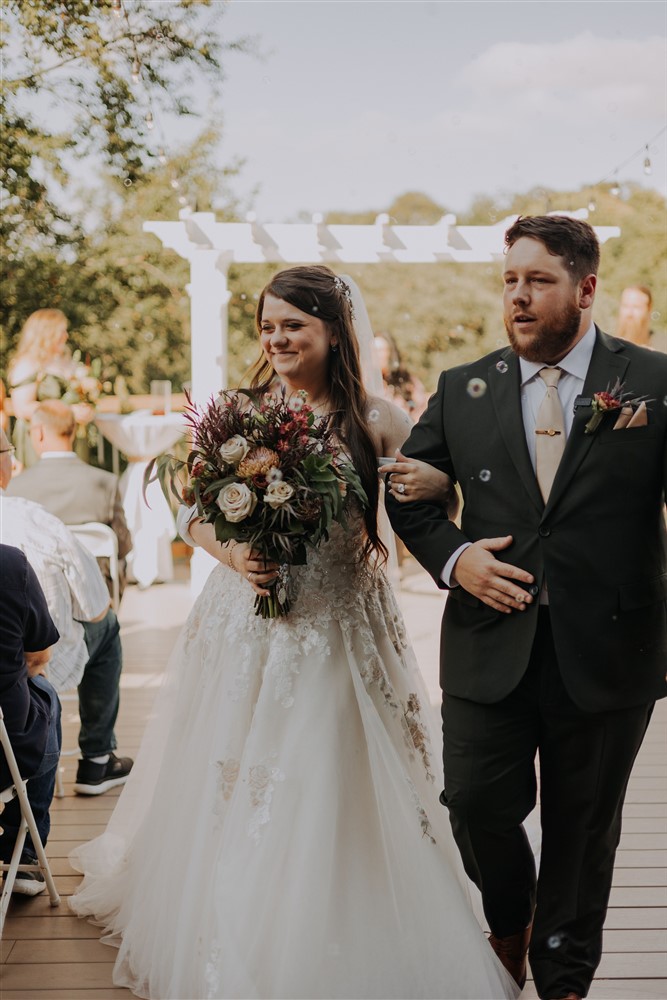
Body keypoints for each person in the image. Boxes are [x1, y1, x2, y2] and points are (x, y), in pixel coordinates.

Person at [68, 266, 518, 1000]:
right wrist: (232, 551)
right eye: (267, 325)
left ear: (334, 331)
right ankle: (229, 906)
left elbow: (427, 494)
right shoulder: (236, 410)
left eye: (293, 325)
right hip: (247, 615)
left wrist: (441, 486)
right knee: (236, 765)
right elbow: (192, 510)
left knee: (335, 764)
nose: (276, 339)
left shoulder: (377, 419)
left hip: (342, 618)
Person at [387, 216, 667, 1000]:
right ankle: (507, 921)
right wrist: (455, 556)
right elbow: (405, 491)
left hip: (610, 650)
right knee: (474, 803)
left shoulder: (651, 382)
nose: (517, 295)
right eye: (509, 280)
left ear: (584, 289)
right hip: (486, 643)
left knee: (581, 833)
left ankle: (563, 980)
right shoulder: (461, 387)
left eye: (536, 280)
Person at [0, 428, 134, 797]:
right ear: (5, 465)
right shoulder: (32, 521)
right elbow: (93, 607)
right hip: (27, 677)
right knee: (107, 627)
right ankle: (96, 759)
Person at [6, 399, 133, 601]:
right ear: (73, 432)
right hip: (94, 598)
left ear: (38, 433)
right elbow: (124, 545)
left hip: (38, 602)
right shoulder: (106, 483)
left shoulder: (15, 488)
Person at [0, 544, 61, 897]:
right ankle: (21, 854)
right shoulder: (9, 564)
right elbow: (40, 656)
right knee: (45, 694)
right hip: (3, 756)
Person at [7, 308, 95, 469]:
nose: (66, 336)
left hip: (68, 439)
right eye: (61, 332)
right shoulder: (27, 364)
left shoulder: (64, 362)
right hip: (40, 440)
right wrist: (68, 412)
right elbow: (22, 408)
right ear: (46, 334)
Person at [373, 330, 429, 419]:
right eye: (373, 350)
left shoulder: (409, 382)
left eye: (380, 350)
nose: (376, 355)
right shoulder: (367, 384)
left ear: (390, 352)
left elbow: (422, 414)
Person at [615, 284, 666, 352]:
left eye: (636, 307)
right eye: (625, 306)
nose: (629, 313)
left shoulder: (662, 346)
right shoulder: (607, 342)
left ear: (649, 309)